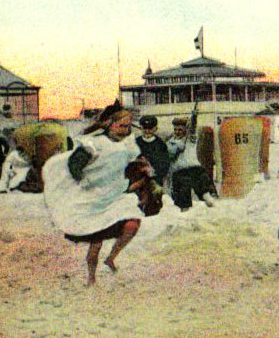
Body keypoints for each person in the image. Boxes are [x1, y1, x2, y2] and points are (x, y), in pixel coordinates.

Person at [42, 102, 144, 286]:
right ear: (109, 124)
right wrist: (85, 181)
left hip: (116, 195)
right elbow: (74, 164)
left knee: (133, 224)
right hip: (94, 198)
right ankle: (91, 278)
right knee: (96, 241)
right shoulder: (94, 143)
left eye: (128, 127)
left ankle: (111, 257)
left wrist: (144, 167)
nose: (125, 130)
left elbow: (133, 162)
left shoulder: (128, 145)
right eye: (122, 126)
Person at [167, 117, 217, 211]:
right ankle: (184, 209)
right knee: (182, 195)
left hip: (194, 169)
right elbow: (169, 155)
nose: (177, 132)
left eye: (180, 130)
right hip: (180, 172)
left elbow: (193, 129)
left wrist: (194, 119)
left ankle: (206, 196)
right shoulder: (170, 142)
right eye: (175, 130)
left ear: (185, 130)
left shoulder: (190, 140)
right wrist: (177, 148)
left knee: (202, 183)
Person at [135, 115, 170, 187]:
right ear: (141, 128)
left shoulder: (160, 144)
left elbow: (165, 163)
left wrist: (154, 172)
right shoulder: (136, 143)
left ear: (155, 128)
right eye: (145, 128)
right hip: (138, 180)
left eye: (150, 128)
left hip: (155, 180)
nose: (147, 131)